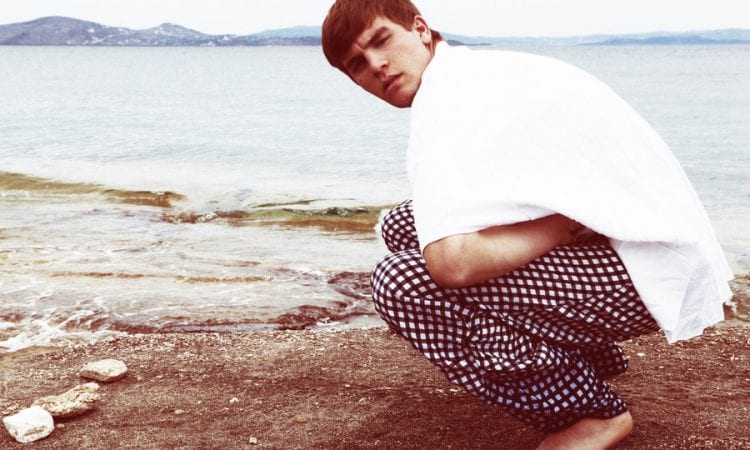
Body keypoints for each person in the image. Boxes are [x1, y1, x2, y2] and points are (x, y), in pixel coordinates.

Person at [321, 1, 734, 448]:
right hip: (654, 251)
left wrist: (563, 225)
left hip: (648, 275)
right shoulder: (472, 73)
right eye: (357, 65)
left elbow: (452, 265)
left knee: (401, 283)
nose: (376, 65)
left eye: (381, 41)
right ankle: (585, 360)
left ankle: (589, 414)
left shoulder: (447, 101)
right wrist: (569, 219)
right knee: (405, 225)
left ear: (420, 28)